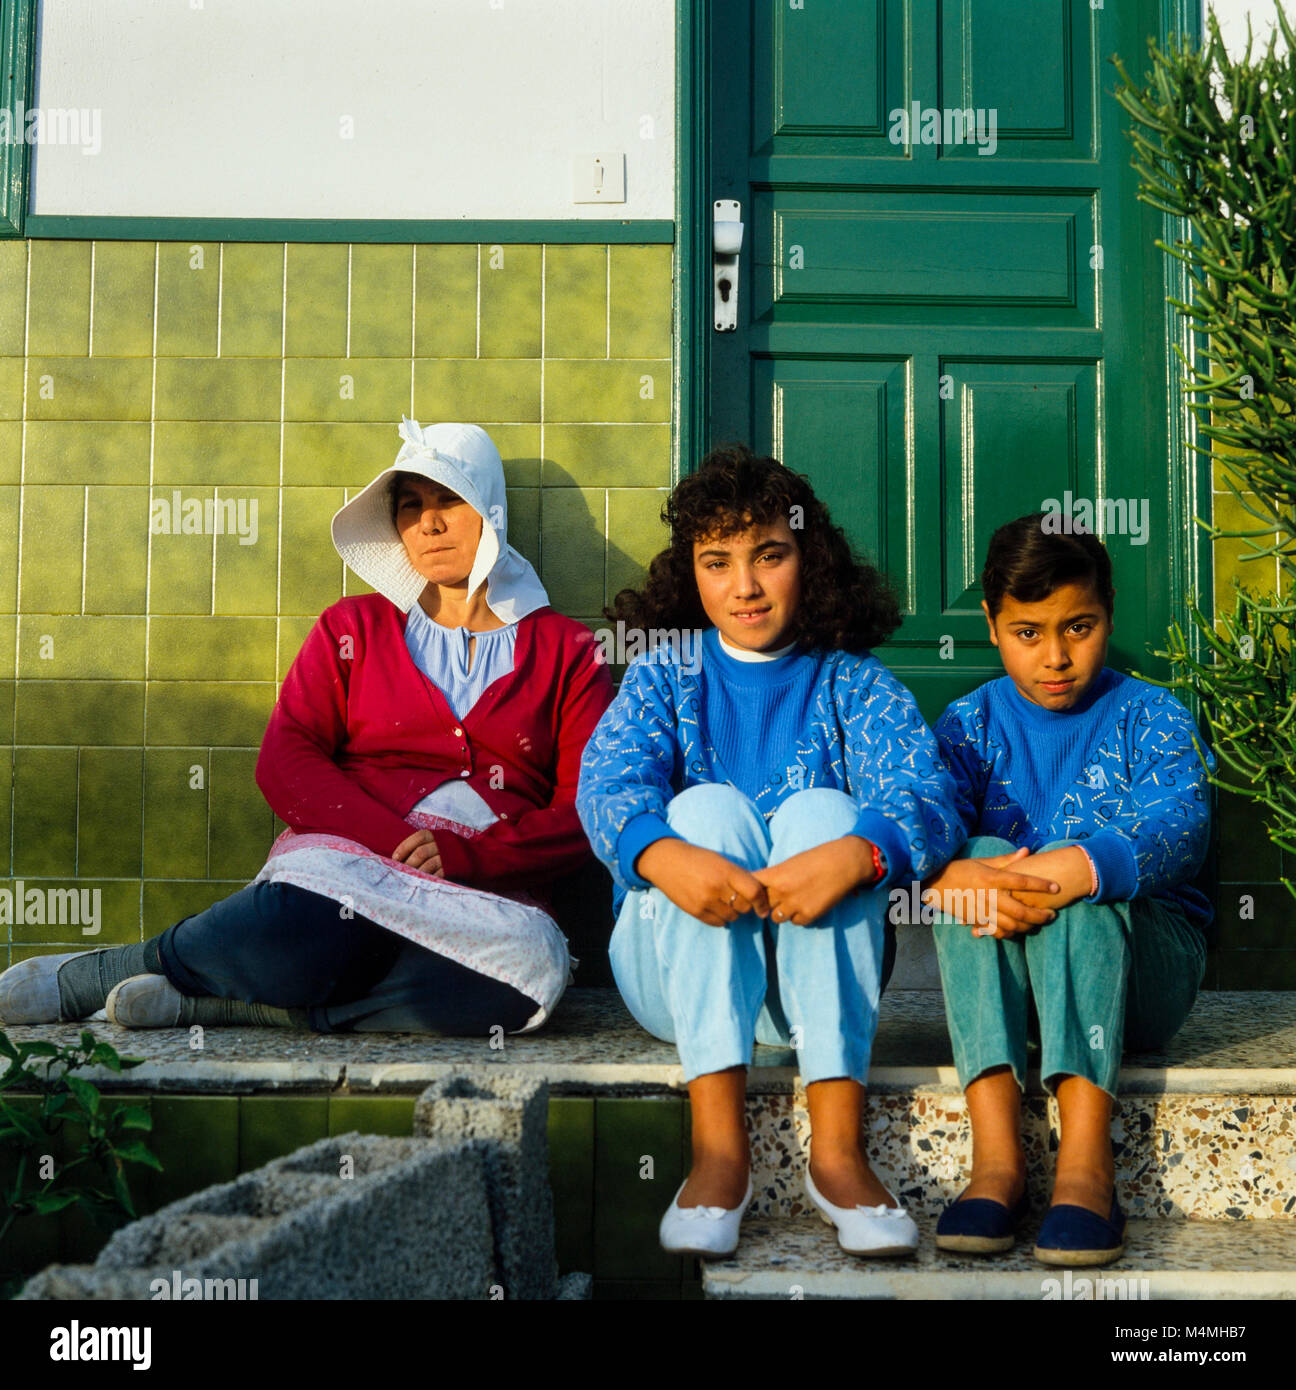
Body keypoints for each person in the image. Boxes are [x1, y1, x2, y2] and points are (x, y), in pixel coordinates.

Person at [0, 419, 612, 1035]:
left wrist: (470, 856)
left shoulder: (568, 650)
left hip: (484, 889)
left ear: (491, 510)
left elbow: (585, 804)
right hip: (354, 862)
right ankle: (116, 968)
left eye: (449, 500)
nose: (428, 524)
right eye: (410, 506)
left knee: (525, 978)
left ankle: (225, 1007)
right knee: (294, 927)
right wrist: (393, 839)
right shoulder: (353, 628)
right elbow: (286, 759)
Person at [576, 443, 1015, 1261]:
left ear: (806, 561)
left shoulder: (851, 681)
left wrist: (858, 856)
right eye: (718, 562)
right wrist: (664, 854)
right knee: (704, 810)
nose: (744, 585)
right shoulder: (665, 674)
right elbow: (606, 784)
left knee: (825, 815)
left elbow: (926, 794)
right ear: (692, 575)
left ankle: (839, 1154)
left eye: (769, 555)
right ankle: (717, 1154)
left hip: (813, 988)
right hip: (675, 977)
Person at [923, 512, 1212, 1266]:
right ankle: (997, 1161)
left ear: (1109, 611)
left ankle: (1086, 1165)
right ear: (991, 624)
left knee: (1082, 872)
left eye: (1078, 628)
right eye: (1028, 633)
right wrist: (956, 872)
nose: (1055, 657)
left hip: (1143, 978)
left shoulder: (1149, 715)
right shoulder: (970, 726)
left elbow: (1182, 824)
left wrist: (1070, 869)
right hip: (1016, 989)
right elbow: (919, 822)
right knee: (971, 861)